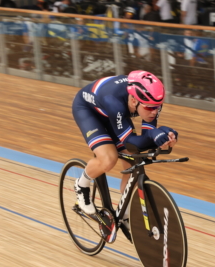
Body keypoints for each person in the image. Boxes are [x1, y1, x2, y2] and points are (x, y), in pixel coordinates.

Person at [72, 71, 178, 226]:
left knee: (134, 161)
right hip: (89, 111)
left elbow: (147, 137)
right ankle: (81, 185)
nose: (155, 112)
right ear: (134, 100)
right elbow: (131, 142)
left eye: (158, 106)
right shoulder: (115, 102)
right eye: (149, 108)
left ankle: (125, 212)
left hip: (114, 113)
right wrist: (153, 136)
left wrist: (164, 137)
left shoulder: (150, 100)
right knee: (108, 159)